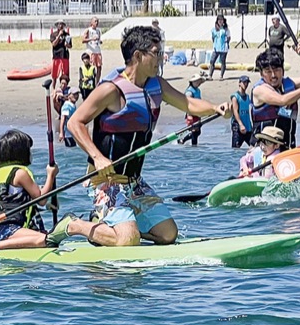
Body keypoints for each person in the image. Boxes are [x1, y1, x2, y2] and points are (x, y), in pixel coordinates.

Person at [64, 25, 227, 247]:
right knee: (128, 240)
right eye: (156, 53)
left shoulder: (156, 86)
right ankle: (76, 225)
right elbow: (75, 123)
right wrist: (97, 157)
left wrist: (216, 108)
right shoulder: (112, 90)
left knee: (168, 234)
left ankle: (114, 227)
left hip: (133, 182)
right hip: (106, 181)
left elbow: (187, 103)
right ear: (138, 56)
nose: (161, 58)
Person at [0, 129, 64, 251]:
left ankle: (0, 241)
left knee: (44, 237)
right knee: (49, 239)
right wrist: (51, 175)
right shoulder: (20, 173)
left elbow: (13, 200)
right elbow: (41, 199)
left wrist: (48, 206)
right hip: (9, 229)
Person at [250, 48, 300, 150]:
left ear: (283, 71)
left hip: (287, 148)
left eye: (276, 70)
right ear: (261, 74)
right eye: (268, 72)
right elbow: (282, 100)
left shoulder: (288, 84)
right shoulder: (259, 90)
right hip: (262, 152)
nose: (273, 75)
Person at [181, 71, 209, 146]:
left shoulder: (198, 90)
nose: (198, 83)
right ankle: (194, 147)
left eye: (199, 81)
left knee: (198, 131)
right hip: (191, 113)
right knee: (194, 131)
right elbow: (187, 104)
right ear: (192, 82)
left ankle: (182, 140)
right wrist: (189, 115)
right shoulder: (189, 92)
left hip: (197, 113)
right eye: (197, 81)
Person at [230, 74, 254, 148]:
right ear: (239, 83)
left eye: (247, 83)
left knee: (254, 146)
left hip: (247, 126)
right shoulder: (235, 97)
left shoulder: (247, 97)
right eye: (244, 82)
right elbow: (235, 111)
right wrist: (240, 124)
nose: (246, 84)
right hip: (237, 126)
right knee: (235, 149)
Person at [210, 14, 230, 80]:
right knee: (212, 61)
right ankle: (210, 75)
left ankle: (221, 75)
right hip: (216, 48)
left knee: (223, 62)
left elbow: (228, 37)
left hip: (223, 48)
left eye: (222, 20)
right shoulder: (214, 29)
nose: (220, 21)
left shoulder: (226, 29)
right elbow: (213, 38)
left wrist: (226, 43)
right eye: (219, 20)